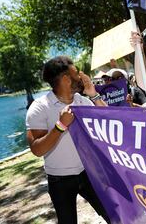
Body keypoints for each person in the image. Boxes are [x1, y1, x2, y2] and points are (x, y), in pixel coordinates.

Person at [26, 56, 110, 223]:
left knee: (112, 214)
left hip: (88, 172)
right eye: (76, 73)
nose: (80, 76)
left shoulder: (82, 100)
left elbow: (109, 120)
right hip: (59, 180)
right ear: (65, 79)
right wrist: (60, 126)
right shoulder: (40, 107)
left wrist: (93, 93)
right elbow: (37, 149)